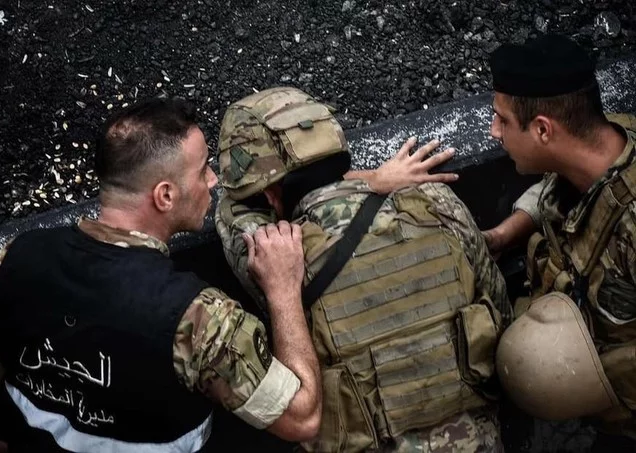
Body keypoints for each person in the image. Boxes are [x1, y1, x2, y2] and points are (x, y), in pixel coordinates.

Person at [0, 98, 322, 453]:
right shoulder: (201, 319)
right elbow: (302, 418)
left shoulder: (13, 259)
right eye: (203, 170)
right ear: (165, 196)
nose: (213, 180)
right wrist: (283, 290)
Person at [214, 87, 512, 452]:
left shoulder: (277, 253)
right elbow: (498, 303)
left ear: (270, 195)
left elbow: (229, 209)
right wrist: (367, 181)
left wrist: (364, 179)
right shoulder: (436, 200)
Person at [482, 34, 636, 442]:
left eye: (502, 119)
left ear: (543, 130)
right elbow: (555, 193)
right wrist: (504, 234)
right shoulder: (598, 141)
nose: (494, 131)